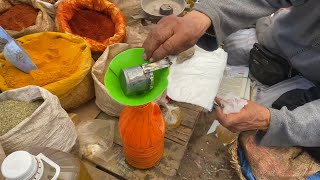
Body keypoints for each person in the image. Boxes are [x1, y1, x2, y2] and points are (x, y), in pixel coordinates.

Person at [142, 0, 320, 148]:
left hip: (310, 79)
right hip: (276, 41)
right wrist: (204, 16)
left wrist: (271, 120)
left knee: (253, 116)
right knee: (226, 47)